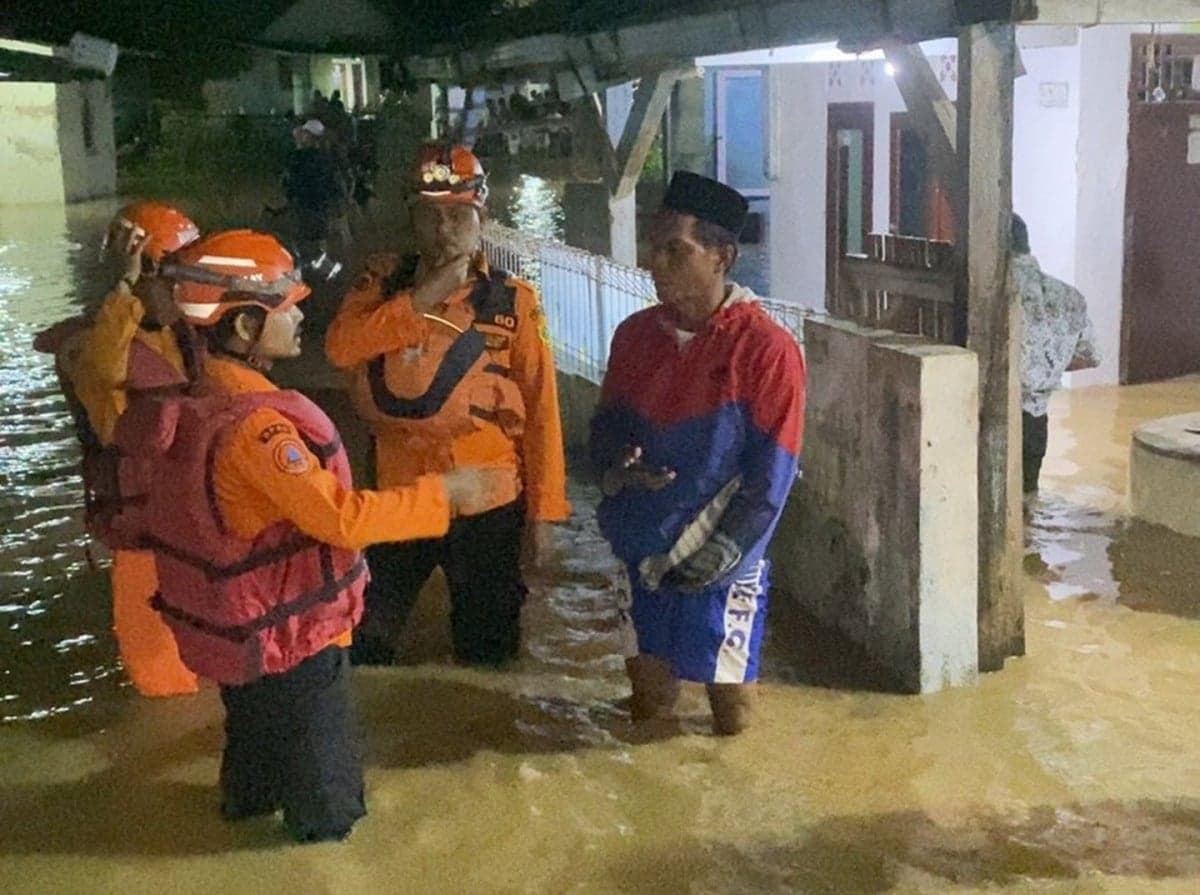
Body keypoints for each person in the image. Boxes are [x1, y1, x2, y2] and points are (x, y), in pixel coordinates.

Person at [115, 229, 513, 843]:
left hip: (239, 639)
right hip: (291, 641)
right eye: (286, 306)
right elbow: (342, 520)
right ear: (245, 329)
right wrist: (448, 495)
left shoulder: (190, 403)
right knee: (328, 816)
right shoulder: (257, 433)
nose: (301, 315)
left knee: (251, 772)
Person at [326, 143, 570, 668]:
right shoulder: (380, 285)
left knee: (488, 655)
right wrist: (420, 299)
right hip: (400, 494)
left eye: (458, 215)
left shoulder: (515, 302)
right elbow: (341, 349)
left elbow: (542, 413)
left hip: (488, 503)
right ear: (411, 217)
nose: (444, 229)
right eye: (430, 216)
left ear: (482, 216)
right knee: (363, 642)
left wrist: (543, 517)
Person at [589, 172, 806, 736]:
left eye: (674, 250)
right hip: (640, 540)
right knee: (648, 699)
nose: (653, 262)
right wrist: (618, 468)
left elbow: (773, 475)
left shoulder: (768, 350)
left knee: (731, 712)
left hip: (723, 551)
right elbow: (605, 427)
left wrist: (730, 550)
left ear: (721, 257)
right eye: (653, 247)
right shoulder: (633, 336)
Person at [33, 201, 202, 698]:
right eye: (179, 276)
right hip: (143, 547)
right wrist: (123, 288)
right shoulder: (88, 345)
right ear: (145, 270)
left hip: (193, 535)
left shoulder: (179, 335)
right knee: (163, 690)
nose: (189, 290)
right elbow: (103, 369)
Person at [1011, 213, 1099, 494]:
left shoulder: (989, 292)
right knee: (1027, 502)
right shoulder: (1069, 296)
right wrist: (1049, 366)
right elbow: (1090, 357)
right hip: (1036, 420)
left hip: (988, 415)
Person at [283, 118, 349, 252]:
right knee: (320, 238)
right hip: (320, 202)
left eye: (305, 133)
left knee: (301, 237)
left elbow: (292, 180)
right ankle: (323, 265)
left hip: (305, 202)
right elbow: (333, 180)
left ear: (310, 136)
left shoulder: (299, 157)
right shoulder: (325, 156)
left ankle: (305, 266)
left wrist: (289, 196)